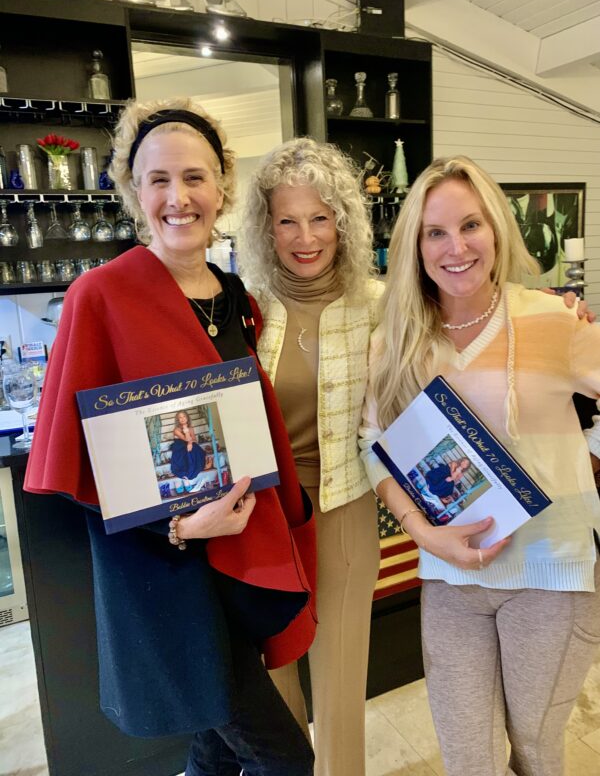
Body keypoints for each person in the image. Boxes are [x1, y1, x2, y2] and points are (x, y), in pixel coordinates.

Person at [24, 97, 317, 776]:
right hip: (172, 582)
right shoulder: (100, 295)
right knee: (285, 759)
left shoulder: (235, 293)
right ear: (132, 190)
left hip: (240, 565)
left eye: (195, 177)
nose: (179, 197)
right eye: (159, 180)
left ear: (221, 188)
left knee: (213, 749)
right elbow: (83, 468)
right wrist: (183, 528)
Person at [359, 154, 600, 776]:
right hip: (449, 581)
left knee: (538, 753)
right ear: (414, 244)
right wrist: (422, 531)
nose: (456, 247)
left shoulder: (553, 319)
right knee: (471, 759)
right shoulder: (398, 339)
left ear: (496, 229)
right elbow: (374, 443)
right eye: (435, 232)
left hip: (550, 576)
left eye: (471, 226)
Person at [238, 137, 382, 776]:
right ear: (266, 227)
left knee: (341, 678)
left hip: (345, 510)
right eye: (287, 219)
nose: (305, 236)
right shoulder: (241, 306)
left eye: (319, 217)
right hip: (262, 519)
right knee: (273, 678)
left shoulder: (381, 305)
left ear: (342, 221)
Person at [170, 409, 206, 488]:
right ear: (178, 420)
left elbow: (194, 440)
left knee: (195, 447)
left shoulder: (191, 428)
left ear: (187, 417)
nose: (182, 419)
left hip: (188, 444)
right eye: (180, 417)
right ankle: (187, 475)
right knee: (187, 451)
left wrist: (190, 443)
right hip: (179, 447)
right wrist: (185, 429)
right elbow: (186, 439)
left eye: (184, 416)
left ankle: (190, 472)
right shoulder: (176, 430)